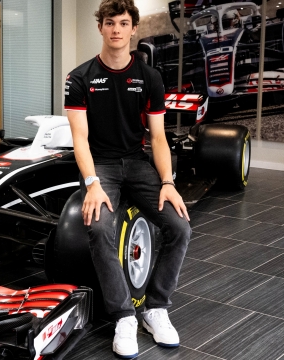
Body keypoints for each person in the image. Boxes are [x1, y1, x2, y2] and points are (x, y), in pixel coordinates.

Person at [64, 0, 191, 358]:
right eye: (110, 23)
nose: (116, 29)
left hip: (137, 165)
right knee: (100, 228)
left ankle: (156, 308)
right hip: (100, 166)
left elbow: (159, 138)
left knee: (180, 227)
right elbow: (79, 139)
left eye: (123, 23)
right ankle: (123, 316)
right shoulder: (79, 78)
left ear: (133, 29)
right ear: (101, 28)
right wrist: (91, 184)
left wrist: (167, 182)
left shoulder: (149, 77)